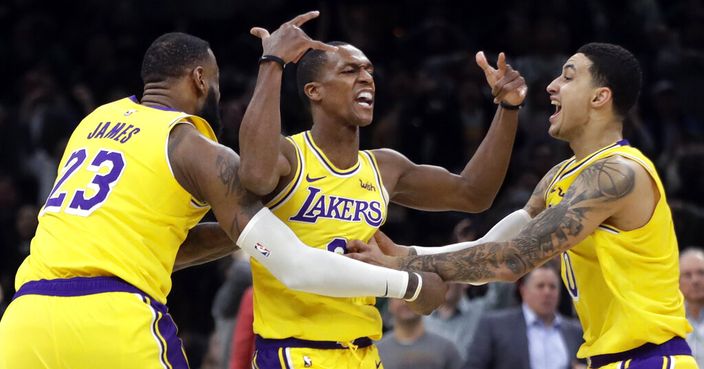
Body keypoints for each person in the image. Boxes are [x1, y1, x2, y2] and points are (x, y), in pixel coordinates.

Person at [0, 16, 446, 368]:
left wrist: (247, 227)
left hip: (24, 318)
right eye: (213, 82)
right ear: (199, 79)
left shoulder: (93, 123)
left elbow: (159, 244)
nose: (215, 92)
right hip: (110, 317)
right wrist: (408, 283)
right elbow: (294, 267)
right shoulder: (193, 145)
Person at [348, 42, 698, 369]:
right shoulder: (559, 176)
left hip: (651, 357)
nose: (552, 85)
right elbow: (491, 248)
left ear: (600, 97)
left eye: (569, 76)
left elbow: (513, 259)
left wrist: (402, 263)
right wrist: (405, 252)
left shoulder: (618, 173)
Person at [239, 11, 528, 369]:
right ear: (314, 91)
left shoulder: (384, 167)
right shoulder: (289, 155)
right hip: (296, 351)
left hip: (365, 354)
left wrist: (508, 108)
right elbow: (253, 175)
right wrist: (273, 62)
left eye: (369, 71)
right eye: (349, 71)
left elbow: (473, 194)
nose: (366, 79)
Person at [464, 264, 584, 369]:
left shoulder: (577, 331)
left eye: (552, 287)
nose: (547, 292)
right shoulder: (494, 326)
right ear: (524, 291)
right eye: (540, 286)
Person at [377, 298, 463, 369]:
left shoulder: (446, 349)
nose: (405, 303)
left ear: (424, 304)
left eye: (412, 297)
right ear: (389, 304)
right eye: (399, 297)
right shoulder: (376, 352)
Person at [679, 247, 704, 368]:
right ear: (677, 281)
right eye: (687, 275)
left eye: (701, 273)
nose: (695, 280)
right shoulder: (669, 319)